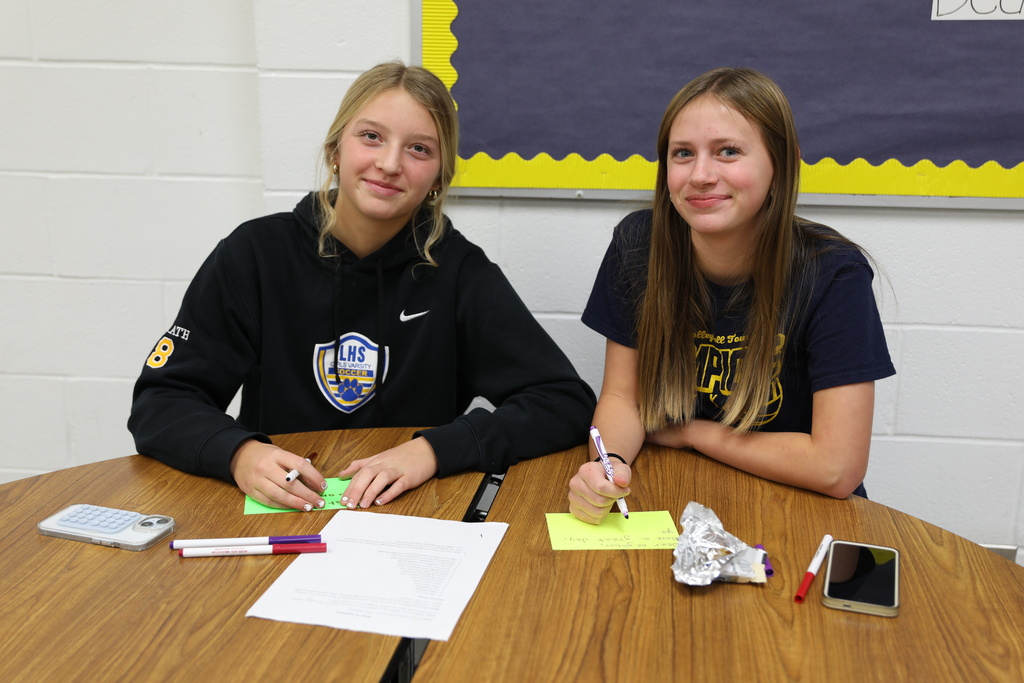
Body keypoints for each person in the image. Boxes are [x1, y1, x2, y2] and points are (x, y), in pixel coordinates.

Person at [129, 61, 595, 512]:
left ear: (438, 178)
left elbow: (564, 402)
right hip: (285, 510)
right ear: (336, 150)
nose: (390, 164)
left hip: (408, 513)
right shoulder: (253, 254)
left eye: (419, 149)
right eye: (371, 136)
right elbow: (161, 401)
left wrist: (433, 450)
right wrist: (239, 453)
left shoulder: (458, 270)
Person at [568, 67, 895, 524]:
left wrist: (692, 434)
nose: (700, 175)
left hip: (802, 513)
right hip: (680, 494)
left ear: (783, 163)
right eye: (683, 153)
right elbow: (624, 399)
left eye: (728, 152)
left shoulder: (834, 273)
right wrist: (611, 467)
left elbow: (836, 468)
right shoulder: (637, 245)